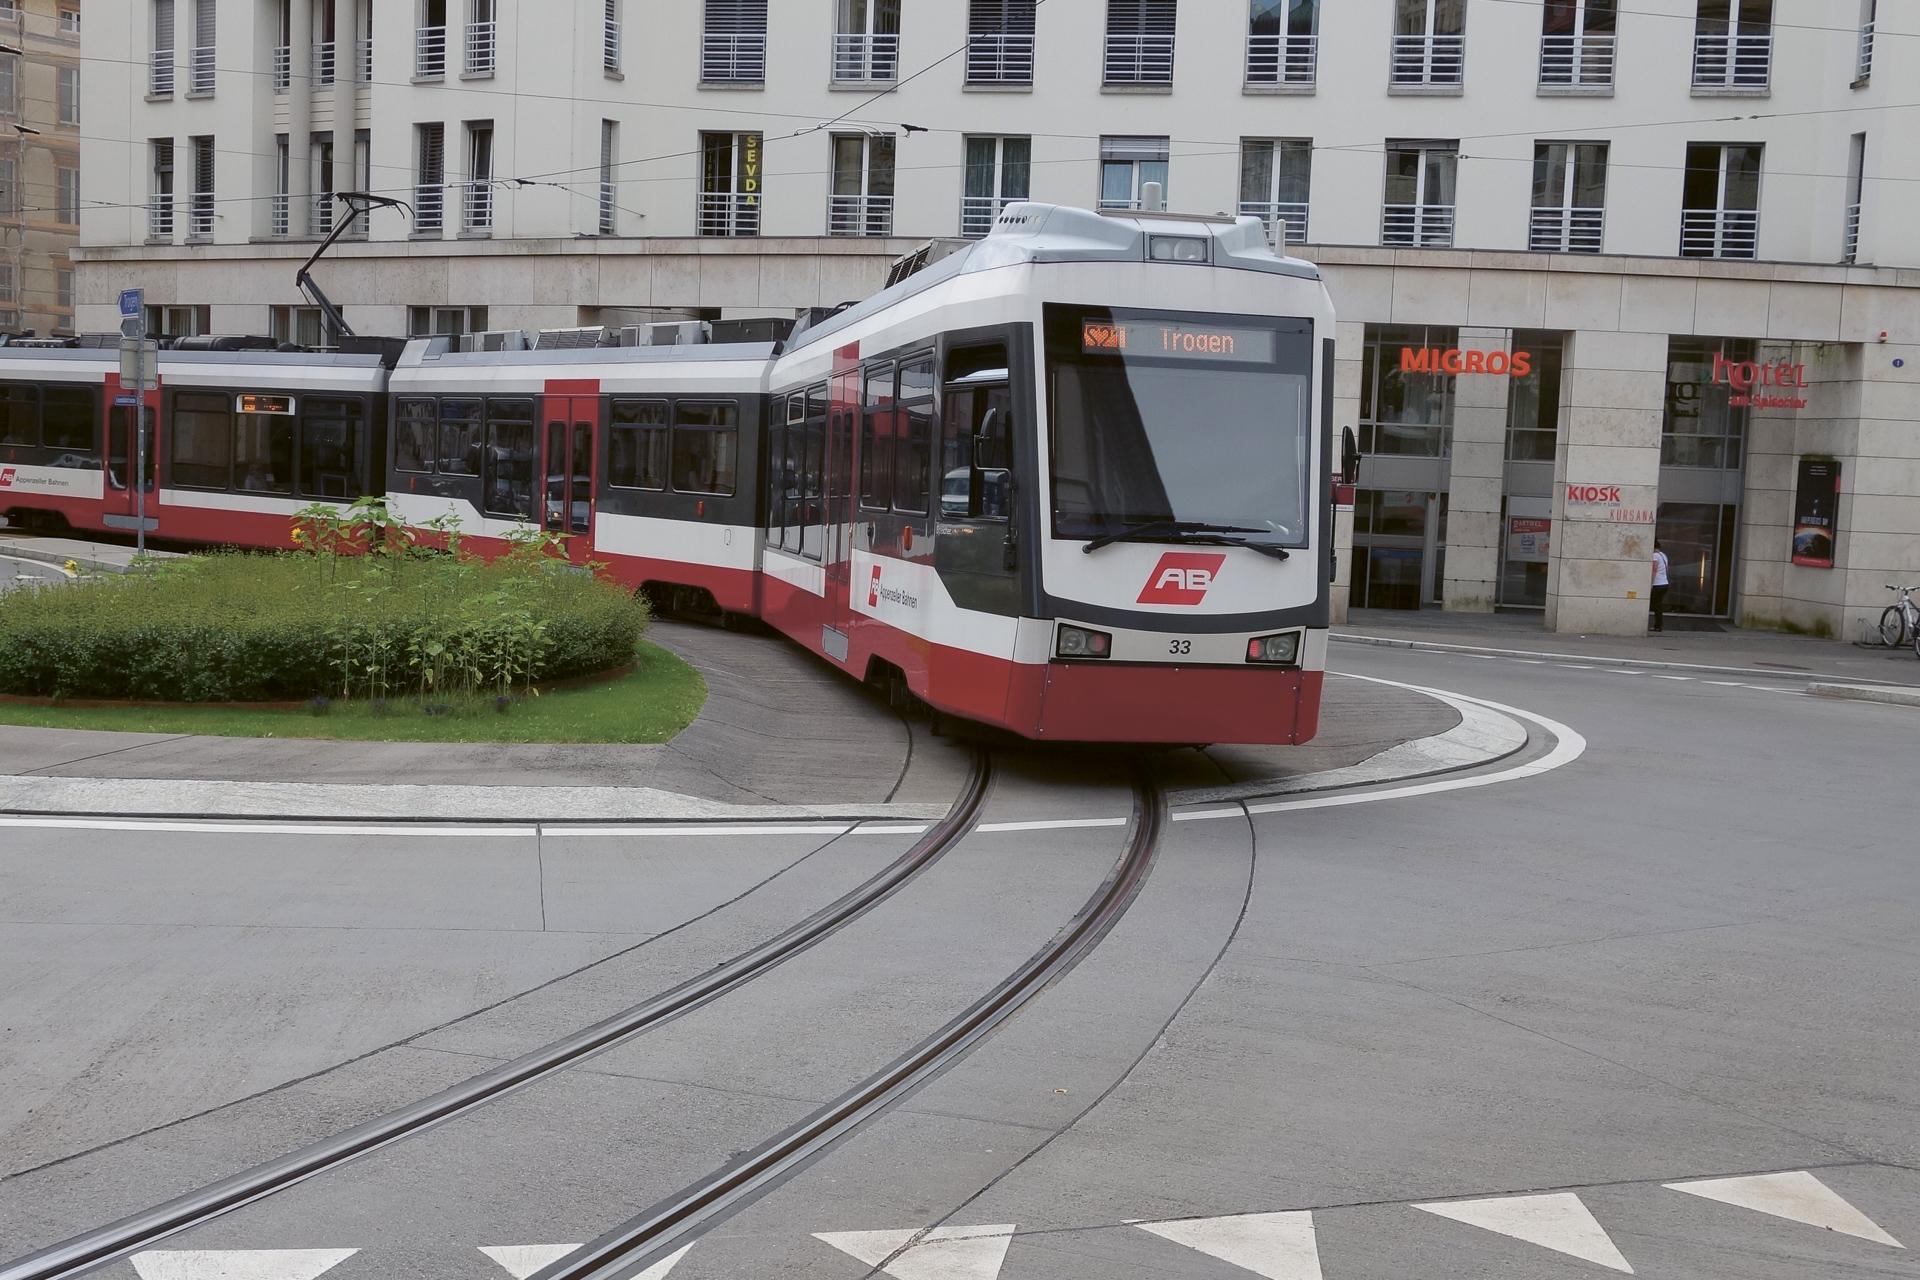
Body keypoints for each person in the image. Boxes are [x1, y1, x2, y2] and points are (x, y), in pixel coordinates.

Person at [1650, 540, 1671, 633]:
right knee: (1658, 605)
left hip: (1657, 584)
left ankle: (1658, 626)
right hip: (1664, 583)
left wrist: (1651, 583)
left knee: (1655, 605)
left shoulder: (1655, 555)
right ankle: (1658, 625)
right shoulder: (1663, 555)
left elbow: (1654, 570)